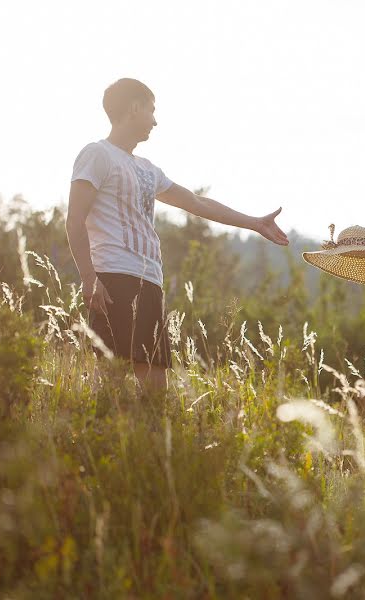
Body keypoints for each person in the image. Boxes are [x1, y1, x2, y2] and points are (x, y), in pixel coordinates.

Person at [67, 78, 289, 391]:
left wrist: (253, 222)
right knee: (111, 385)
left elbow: (195, 202)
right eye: (151, 111)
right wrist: (89, 278)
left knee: (156, 388)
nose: (155, 121)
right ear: (133, 108)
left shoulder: (146, 168)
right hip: (115, 278)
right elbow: (75, 219)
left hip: (150, 281)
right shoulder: (97, 154)